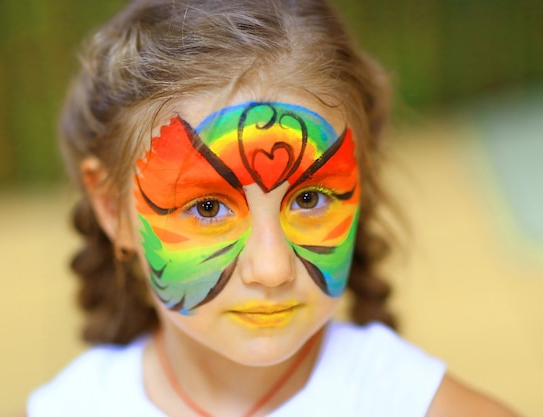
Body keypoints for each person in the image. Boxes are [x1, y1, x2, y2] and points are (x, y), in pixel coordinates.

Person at [28, 0, 519, 415]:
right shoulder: (74, 405)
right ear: (114, 208)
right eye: (206, 208)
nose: (272, 267)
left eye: (309, 199)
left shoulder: (403, 399)